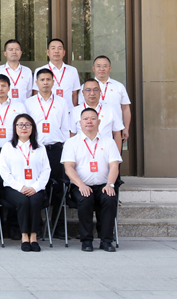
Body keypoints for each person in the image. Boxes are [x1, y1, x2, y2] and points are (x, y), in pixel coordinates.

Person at [61, 108, 122, 252]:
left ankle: (106, 240)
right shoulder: (71, 142)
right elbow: (68, 168)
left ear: (99, 122)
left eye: (93, 119)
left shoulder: (108, 142)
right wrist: (81, 185)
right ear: (80, 122)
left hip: (103, 185)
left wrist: (110, 184)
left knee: (110, 199)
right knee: (85, 199)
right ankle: (86, 240)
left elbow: (114, 166)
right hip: (80, 185)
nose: (89, 121)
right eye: (85, 119)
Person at [0, 113, 51, 252]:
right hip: (14, 188)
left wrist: (35, 187)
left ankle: (33, 237)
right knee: (23, 201)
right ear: (15, 128)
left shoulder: (40, 148)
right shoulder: (8, 147)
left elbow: (46, 170)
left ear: (32, 128)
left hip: (36, 188)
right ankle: (24, 237)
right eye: (20, 125)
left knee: (34, 201)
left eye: (28, 125)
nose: (24, 128)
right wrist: (20, 187)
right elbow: (4, 171)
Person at [0, 74, 27, 237]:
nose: (0, 89)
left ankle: (14, 226)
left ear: (9, 88)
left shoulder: (19, 107)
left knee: (15, 186)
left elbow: (25, 130)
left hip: (15, 151)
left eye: (3, 85)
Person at [26, 68, 70, 231]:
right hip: (36, 150)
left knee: (58, 188)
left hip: (56, 149)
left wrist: (66, 150)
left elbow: (65, 128)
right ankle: (36, 226)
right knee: (36, 187)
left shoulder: (61, 102)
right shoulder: (28, 103)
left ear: (53, 82)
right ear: (36, 83)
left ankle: (58, 226)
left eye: (48, 79)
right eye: (42, 80)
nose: (45, 83)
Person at [72, 78, 123, 152]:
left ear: (100, 91)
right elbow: (72, 135)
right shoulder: (75, 111)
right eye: (88, 90)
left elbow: (117, 133)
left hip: (106, 151)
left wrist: (116, 155)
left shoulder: (110, 110)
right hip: (82, 152)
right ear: (83, 93)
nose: (92, 93)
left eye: (95, 90)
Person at [33, 38, 81, 115]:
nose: (56, 51)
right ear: (48, 52)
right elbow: (36, 93)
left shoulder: (72, 70)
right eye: (53, 48)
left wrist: (73, 111)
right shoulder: (40, 70)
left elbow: (74, 94)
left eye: (59, 48)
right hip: (48, 112)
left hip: (68, 112)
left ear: (64, 52)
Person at [92, 55, 132, 142]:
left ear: (110, 68)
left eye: (105, 66)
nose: (101, 69)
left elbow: (125, 108)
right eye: (98, 66)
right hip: (93, 129)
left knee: (116, 151)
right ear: (93, 68)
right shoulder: (86, 87)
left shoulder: (119, 86)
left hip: (116, 130)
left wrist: (126, 128)